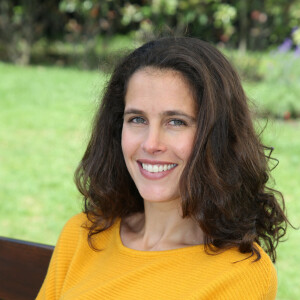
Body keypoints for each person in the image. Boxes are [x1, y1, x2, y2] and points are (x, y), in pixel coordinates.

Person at [37, 37, 289, 300]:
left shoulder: (241, 274)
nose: (151, 143)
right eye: (137, 119)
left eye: (176, 122)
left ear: (216, 137)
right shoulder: (82, 234)